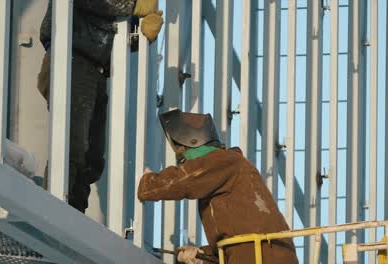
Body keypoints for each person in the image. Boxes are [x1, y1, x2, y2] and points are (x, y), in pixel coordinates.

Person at [37, 0, 163, 213]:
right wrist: (132, 6)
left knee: (91, 159)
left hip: (95, 70)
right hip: (71, 59)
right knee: (72, 148)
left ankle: (74, 217)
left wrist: (141, 36)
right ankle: (53, 215)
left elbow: (113, 33)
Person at [138, 109, 299, 264]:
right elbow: (233, 240)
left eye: (181, 151)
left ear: (192, 144)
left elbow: (184, 180)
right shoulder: (222, 178)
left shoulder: (224, 161)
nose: (184, 162)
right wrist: (201, 256)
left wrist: (149, 182)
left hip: (264, 256)